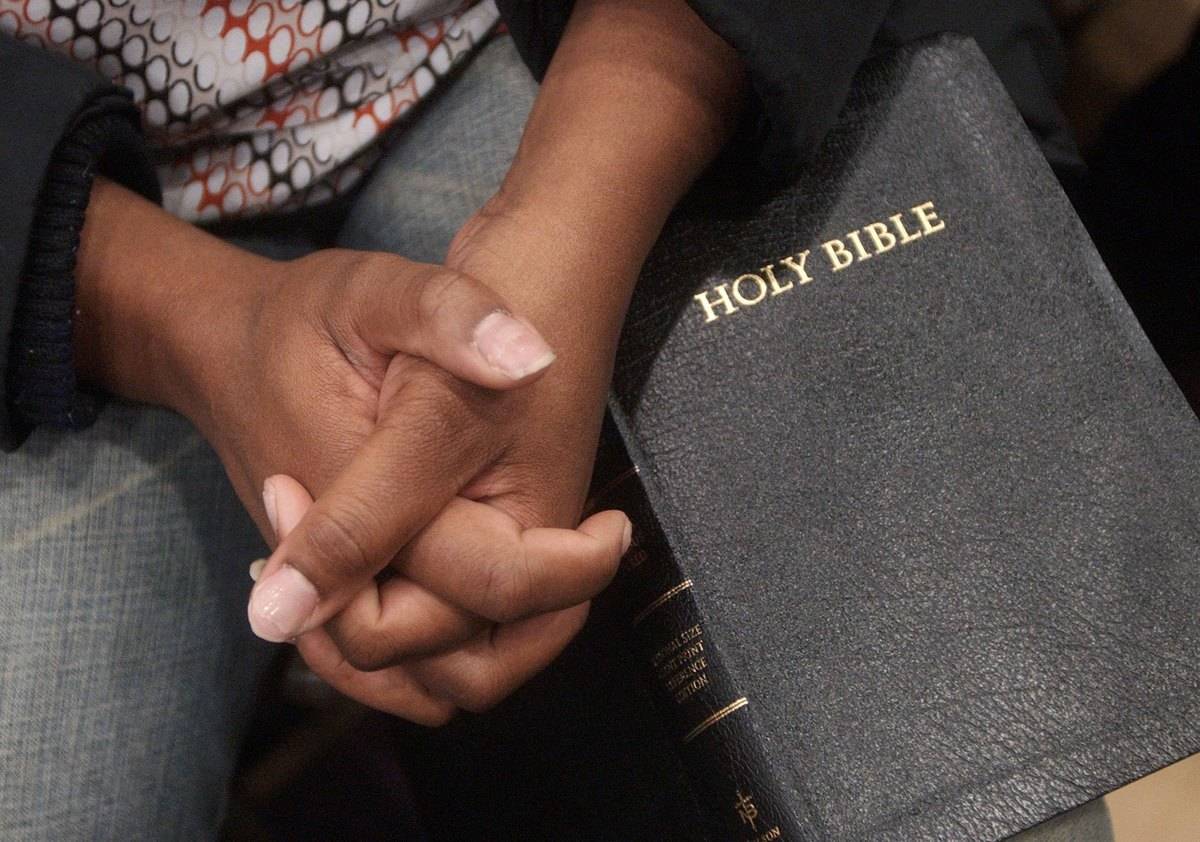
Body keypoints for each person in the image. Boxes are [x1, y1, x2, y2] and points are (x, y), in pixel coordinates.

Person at [0, 0, 1112, 837]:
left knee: (944, 764)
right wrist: (181, 321)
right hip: (55, 235)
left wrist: (568, 224)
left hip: (557, 43)